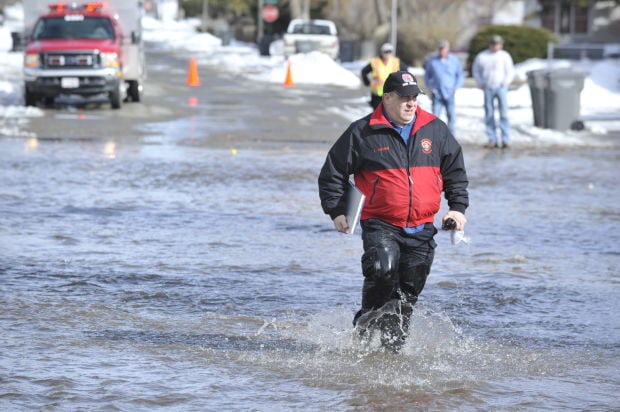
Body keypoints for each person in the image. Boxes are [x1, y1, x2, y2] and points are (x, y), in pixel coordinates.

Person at [318, 71, 469, 352]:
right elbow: (332, 174)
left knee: (406, 297)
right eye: (404, 98)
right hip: (381, 223)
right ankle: (364, 327)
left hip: (422, 227)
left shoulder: (435, 129)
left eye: (414, 98)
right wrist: (337, 210)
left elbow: (455, 172)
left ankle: (391, 354)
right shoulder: (362, 131)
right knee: (382, 269)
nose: (411, 104)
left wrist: (457, 208)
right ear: (387, 98)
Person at [472, 34, 515, 149]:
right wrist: (481, 83)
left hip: (501, 87)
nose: (496, 46)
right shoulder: (482, 56)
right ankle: (492, 138)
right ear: (490, 45)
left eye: (498, 44)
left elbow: (510, 71)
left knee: (504, 113)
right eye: (494, 44)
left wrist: (505, 82)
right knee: (489, 113)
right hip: (488, 87)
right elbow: (476, 70)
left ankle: (505, 139)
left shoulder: (505, 56)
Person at [423, 39, 464, 136]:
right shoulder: (433, 61)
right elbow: (427, 76)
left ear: (448, 49)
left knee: (451, 116)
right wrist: (430, 87)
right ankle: (436, 137)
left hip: (449, 93)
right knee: (435, 116)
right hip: (437, 93)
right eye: (440, 48)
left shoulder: (454, 60)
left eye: (444, 48)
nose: (442, 51)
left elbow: (460, 76)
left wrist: (455, 88)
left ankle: (451, 138)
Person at [361, 43, 407, 109]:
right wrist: (367, 82)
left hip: (391, 94)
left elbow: (405, 72)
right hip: (377, 94)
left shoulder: (396, 62)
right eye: (386, 52)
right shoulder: (375, 62)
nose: (388, 53)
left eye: (389, 51)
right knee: (377, 114)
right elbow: (364, 71)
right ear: (382, 52)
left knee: (390, 114)